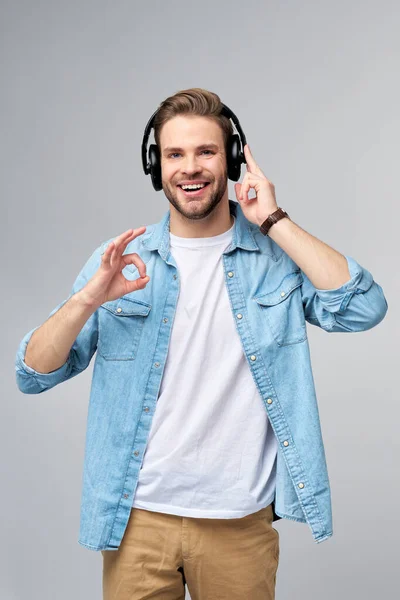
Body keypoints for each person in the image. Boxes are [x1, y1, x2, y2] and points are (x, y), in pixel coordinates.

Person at [15, 88, 388, 600]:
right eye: (175, 154)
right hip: (138, 520)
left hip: (239, 522)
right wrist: (87, 300)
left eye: (206, 152)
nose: (190, 168)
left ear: (232, 159)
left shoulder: (274, 258)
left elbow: (364, 307)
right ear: (157, 165)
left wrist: (274, 222)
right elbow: (32, 374)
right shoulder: (120, 260)